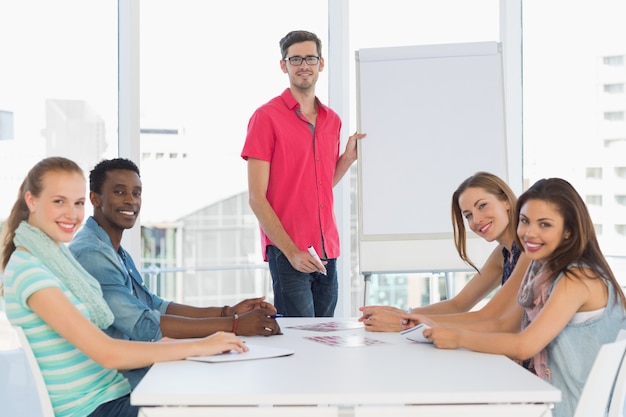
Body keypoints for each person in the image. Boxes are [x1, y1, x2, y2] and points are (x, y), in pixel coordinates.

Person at [1, 157, 248, 417]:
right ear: (32, 200)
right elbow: (107, 353)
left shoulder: (53, 262)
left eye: (78, 203)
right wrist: (199, 345)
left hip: (112, 395)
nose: (72, 214)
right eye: (58, 201)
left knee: (212, 390)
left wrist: (196, 340)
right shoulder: (31, 272)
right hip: (94, 409)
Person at [402, 177, 626, 417]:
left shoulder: (576, 278)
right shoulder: (549, 269)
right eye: (525, 221)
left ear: (569, 231)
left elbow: (524, 345)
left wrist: (457, 337)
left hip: (564, 408)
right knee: (432, 402)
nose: (530, 233)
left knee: (430, 404)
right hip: (553, 398)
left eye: (545, 225)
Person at [69, 158, 280, 388]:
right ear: (94, 198)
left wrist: (227, 312)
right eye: (120, 192)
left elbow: (154, 305)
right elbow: (143, 325)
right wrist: (235, 325)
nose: (131, 200)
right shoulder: (93, 253)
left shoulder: (113, 249)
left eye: (136, 193)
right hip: (116, 387)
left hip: (138, 373)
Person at [241, 30, 366, 317]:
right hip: (289, 251)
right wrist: (291, 252)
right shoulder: (266, 117)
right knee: (299, 344)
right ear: (284, 65)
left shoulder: (332, 120)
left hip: (328, 250)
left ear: (321, 63)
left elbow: (319, 186)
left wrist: (346, 160)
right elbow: (256, 198)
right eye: (295, 59)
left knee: (324, 339)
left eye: (310, 58)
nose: (303, 65)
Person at [359, 172, 531, 331]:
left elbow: (490, 316)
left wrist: (405, 322)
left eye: (483, 205)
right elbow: (458, 304)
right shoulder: (503, 254)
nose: (477, 219)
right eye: (468, 215)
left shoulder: (528, 250)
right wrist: (404, 314)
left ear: (505, 201)